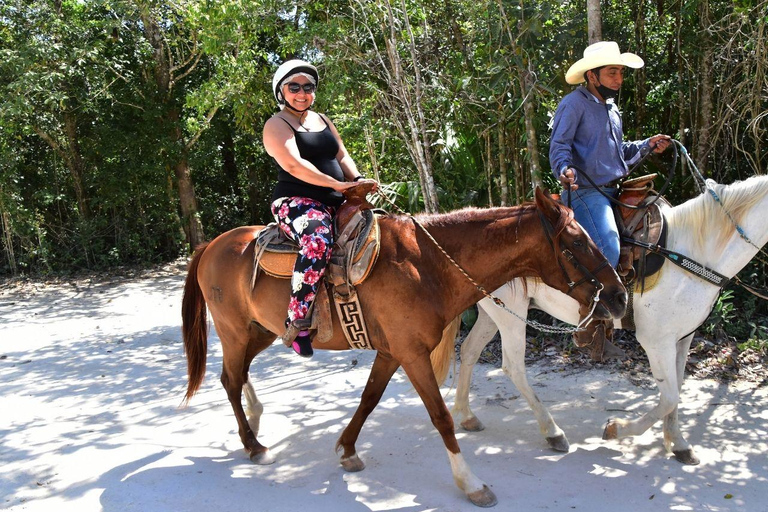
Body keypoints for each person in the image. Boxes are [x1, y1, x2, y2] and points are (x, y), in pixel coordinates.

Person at [549, 41, 671, 361]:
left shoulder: (612, 109)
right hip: (586, 192)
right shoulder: (573, 105)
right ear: (592, 75)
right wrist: (564, 170)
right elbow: (559, 146)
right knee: (610, 245)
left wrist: (647, 145)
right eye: (612, 72)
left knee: (658, 228)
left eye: (621, 72)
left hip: (615, 189)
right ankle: (587, 324)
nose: (619, 78)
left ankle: (627, 315)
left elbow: (621, 154)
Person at [263, 59, 377, 358]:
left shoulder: (323, 119)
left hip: (337, 200)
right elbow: (293, 165)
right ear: (281, 91)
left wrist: (357, 179)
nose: (302, 93)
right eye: (294, 87)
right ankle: (297, 319)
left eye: (308, 87)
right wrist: (337, 185)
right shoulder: (277, 124)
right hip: (297, 202)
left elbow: (342, 155)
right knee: (317, 242)